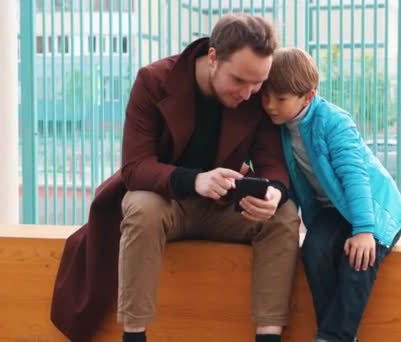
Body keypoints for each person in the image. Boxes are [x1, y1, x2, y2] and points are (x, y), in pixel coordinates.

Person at [50, 14, 301, 342]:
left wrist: (274, 192)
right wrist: (195, 180)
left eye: (257, 83)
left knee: (282, 214)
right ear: (213, 58)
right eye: (240, 80)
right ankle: (135, 334)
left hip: (225, 208)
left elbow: (272, 162)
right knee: (140, 205)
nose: (250, 93)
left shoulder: (256, 92)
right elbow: (135, 166)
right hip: (167, 202)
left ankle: (269, 337)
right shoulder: (154, 81)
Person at [260, 47, 401, 342]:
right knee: (314, 251)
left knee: (357, 261)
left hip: (374, 210)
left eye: (280, 99)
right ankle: (331, 333)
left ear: (308, 96)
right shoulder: (278, 125)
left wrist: (365, 230)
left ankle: (334, 336)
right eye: (265, 96)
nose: (269, 105)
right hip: (333, 212)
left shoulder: (334, 122)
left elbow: (356, 179)